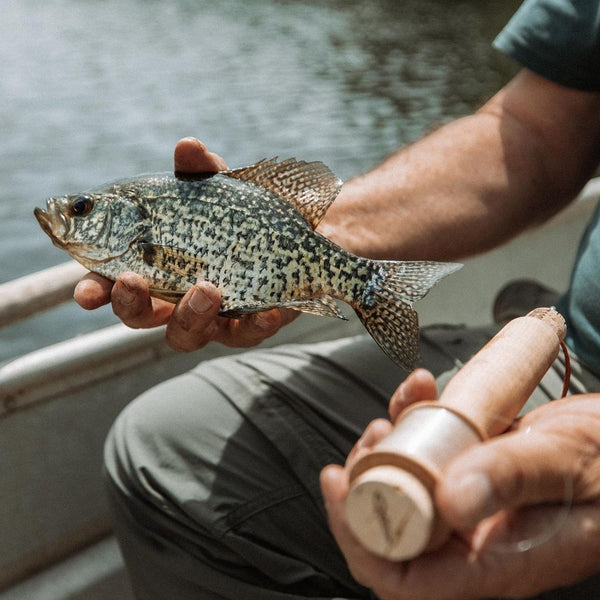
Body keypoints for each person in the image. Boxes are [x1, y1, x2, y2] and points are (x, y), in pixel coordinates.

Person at [74, 0, 600, 598]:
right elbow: (535, 133)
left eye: (83, 211)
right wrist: (313, 240)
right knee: (158, 448)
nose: (69, 219)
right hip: (565, 343)